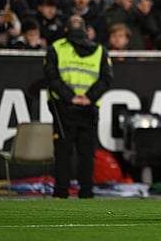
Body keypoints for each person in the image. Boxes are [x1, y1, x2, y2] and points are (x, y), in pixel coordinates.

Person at [44, 14, 114, 199]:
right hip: (89, 109)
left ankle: (61, 193)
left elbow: (51, 77)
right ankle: (86, 193)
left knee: (63, 152)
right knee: (87, 154)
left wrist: (71, 97)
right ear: (85, 30)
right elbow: (106, 79)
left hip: (63, 107)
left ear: (66, 29)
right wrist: (89, 98)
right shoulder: (99, 50)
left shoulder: (57, 48)